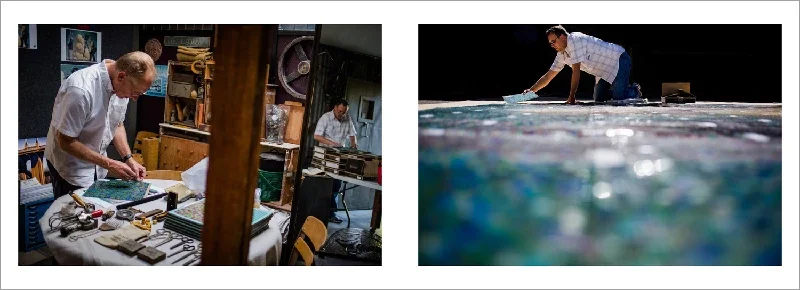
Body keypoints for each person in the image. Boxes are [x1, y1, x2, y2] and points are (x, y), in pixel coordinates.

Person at [45, 51, 155, 198]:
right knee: (70, 217)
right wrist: (110, 164)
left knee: (96, 213)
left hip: (98, 167)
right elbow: (66, 141)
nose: (134, 98)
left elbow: (117, 124)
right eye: (135, 93)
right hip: (70, 169)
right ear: (121, 76)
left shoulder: (123, 85)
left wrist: (128, 159)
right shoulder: (80, 90)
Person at [524, 25, 642, 104]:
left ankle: (634, 90)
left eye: (553, 41)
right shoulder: (562, 53)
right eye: (550, 43)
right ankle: (618, 89)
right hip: (603, 71)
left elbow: (576, 71)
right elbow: (548, 76)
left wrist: (571, 97)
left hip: (619, 59)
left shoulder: (575, 40)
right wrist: (531, 90)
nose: (552, 45)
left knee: (619, 99)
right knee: (599, 99)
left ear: (563, 37)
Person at [313, 99, 357, 223]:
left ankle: (331, 213)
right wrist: (332, 143)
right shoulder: (325, 118)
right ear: (335, 108)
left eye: (343, 112)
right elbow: (316, 136)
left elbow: (352, 134)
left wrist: (354, 145)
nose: (341, 115)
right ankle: (320, 213)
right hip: (325, 154)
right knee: (325, 184)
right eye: (339, 112)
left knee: (336, 185)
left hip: (339, 155)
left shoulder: (347, 118)